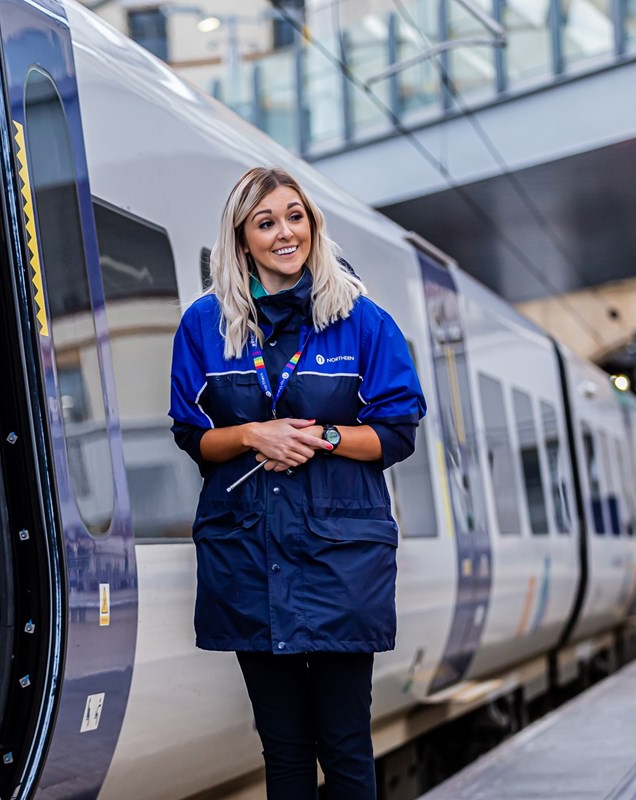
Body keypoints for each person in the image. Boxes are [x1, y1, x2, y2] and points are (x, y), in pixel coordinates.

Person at [169, 166, 426, 798]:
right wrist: (256, 435)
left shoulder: (363, 321)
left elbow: (398, 431)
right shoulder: (205, 325)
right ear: (241, 240)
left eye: (295, 217)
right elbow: (190, 434)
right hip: (249, 555)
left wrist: (323, 437)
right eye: (266, 222)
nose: (285, 233)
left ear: (312, 224)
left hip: (340, 558)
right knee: (282, 753)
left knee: (344, 747)